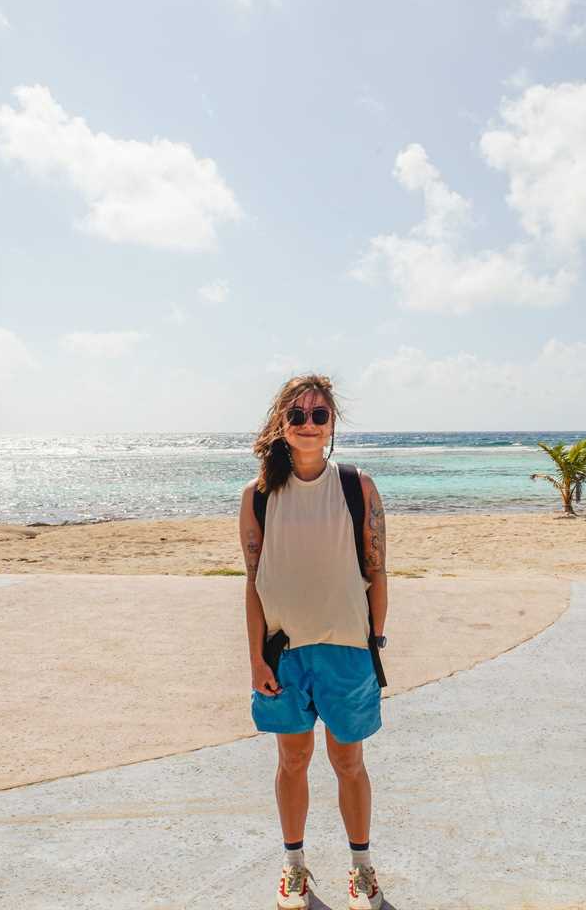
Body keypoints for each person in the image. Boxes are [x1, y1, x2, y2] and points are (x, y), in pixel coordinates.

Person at [240, 374, 389, 910]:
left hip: (347, 654)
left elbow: (377, 571)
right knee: (292, 761)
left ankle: (362, 870)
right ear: (282, 424)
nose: (308, 423)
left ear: (331, 426)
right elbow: (254, 582)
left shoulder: (357, 487)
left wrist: (374, 642)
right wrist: (256, 656)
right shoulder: (258, 497)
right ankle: (294, 866)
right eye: (297, 415)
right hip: (285, 656)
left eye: (318, 415)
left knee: (349, 763)